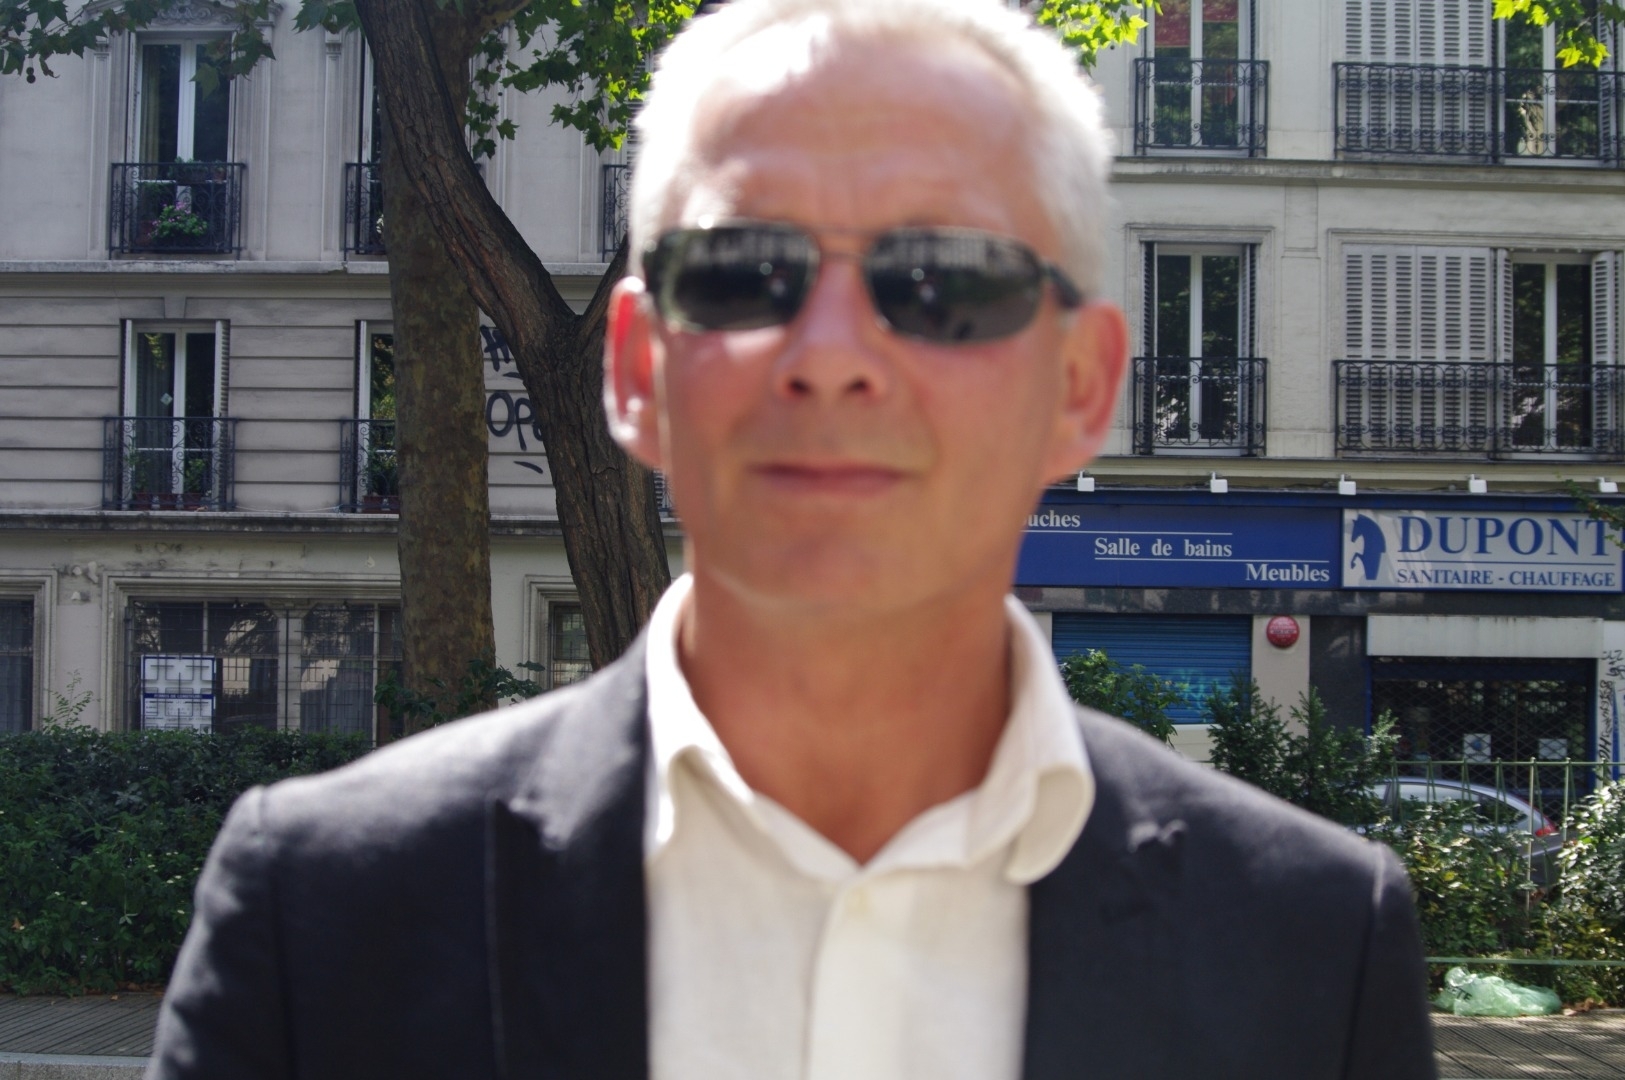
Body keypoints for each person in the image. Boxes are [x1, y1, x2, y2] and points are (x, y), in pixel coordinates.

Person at [148, 1, 1437, 1078]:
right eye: (744, 274)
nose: (830, 356)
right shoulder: (324, 917)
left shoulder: (1316, 950)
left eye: (942, 280)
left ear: (1082, 384)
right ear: (639, 369)